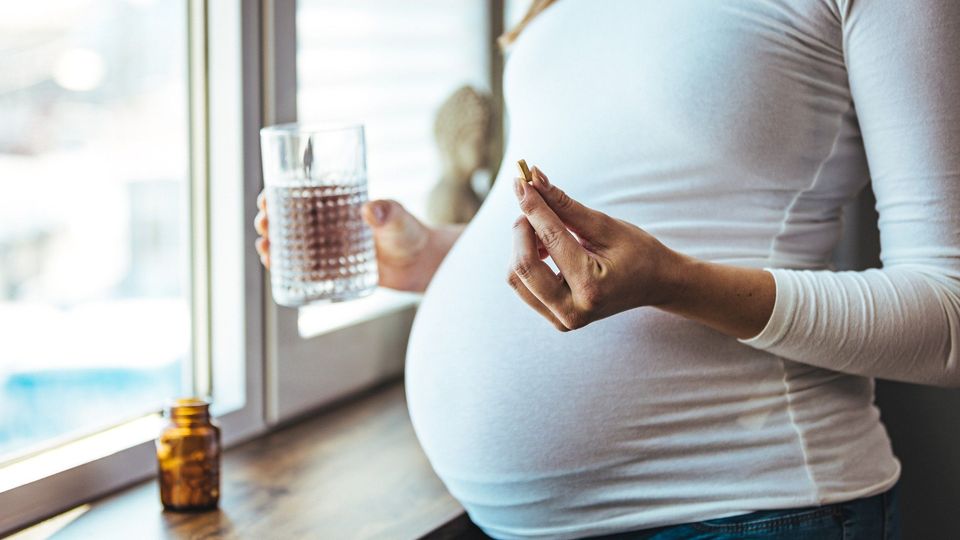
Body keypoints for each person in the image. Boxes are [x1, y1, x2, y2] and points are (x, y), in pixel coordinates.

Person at [255, 0, 960, 537]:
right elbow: (612, 211)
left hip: (741, 508)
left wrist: (670, 281)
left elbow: (948, 314)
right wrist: (435, 255)